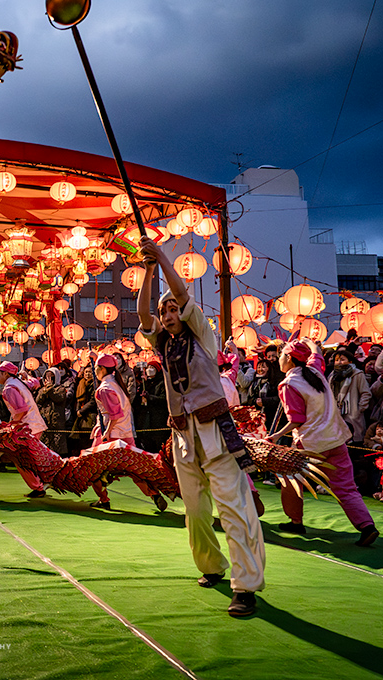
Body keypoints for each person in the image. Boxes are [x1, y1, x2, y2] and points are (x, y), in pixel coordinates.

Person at [137, 238, 264, 618]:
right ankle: (212, 565)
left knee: (233, 510)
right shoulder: (162, 345)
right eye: (164, 311)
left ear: (186, 312)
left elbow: (181, 292)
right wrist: (148, 269)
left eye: (173, 309)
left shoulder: (204, 337)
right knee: (194, 511)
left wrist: (162, 257)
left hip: (216, 434)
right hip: (183, 437)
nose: (168, 314)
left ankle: (246, 587)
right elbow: (143, 313)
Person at [268, 340, 379, 546]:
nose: (279, 359)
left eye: (282, 355)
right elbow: (316, 354)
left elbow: (297, 419)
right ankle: (367, 526)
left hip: (311, 444)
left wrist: (276, 435)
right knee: (346, 487)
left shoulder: (289, 384)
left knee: (289, 479)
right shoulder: (315, 372)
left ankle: (296, 521)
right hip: (335, 439)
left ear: (289, 358)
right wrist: (311, 344)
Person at [87, 353, 167, 511]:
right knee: (135, 468)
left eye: (96, 368)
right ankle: (153, 494)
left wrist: (106, 433)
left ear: (102, 369)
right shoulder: (117, 384)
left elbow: (114, 414)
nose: (94, 371)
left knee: (93, 468)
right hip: (126, 433)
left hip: (110, 434)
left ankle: (104, 498)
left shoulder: (105, 388)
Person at [0, 360, 49, 498]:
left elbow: (21, 410)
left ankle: (38, 487)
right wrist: (27, 376)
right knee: (33, 458)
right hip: (35, 425)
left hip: (27, 428)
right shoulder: (19, 383)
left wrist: (12, 425)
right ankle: (44, 481)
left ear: (6, 374)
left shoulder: (9, 388)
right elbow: (35, 383)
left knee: (21, 460)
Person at [328, 348, 372, 443]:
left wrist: (360, 408)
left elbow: (365, 392)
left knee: (355, 439)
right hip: (336, 411)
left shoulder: (357, 374)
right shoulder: (332, 376)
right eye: (337, 360)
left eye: (342, 359)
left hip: (352, 411)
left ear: (350, 361)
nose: (339, 362)